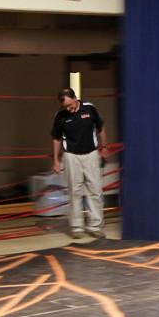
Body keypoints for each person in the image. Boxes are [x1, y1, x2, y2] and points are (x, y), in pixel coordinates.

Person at [51, 88, 108, 239]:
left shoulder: (89, 108)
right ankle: (77, 227)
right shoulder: (60, 116)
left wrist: (104, 147)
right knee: (74, 192)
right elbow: (56, 138)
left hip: (91, 155)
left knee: (94, 190)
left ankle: (95, 226)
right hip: (71, 157)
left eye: (70, 105)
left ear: (75, 98)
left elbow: (100, 127)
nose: (68, 109)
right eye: (65, 107)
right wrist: (56, 160)